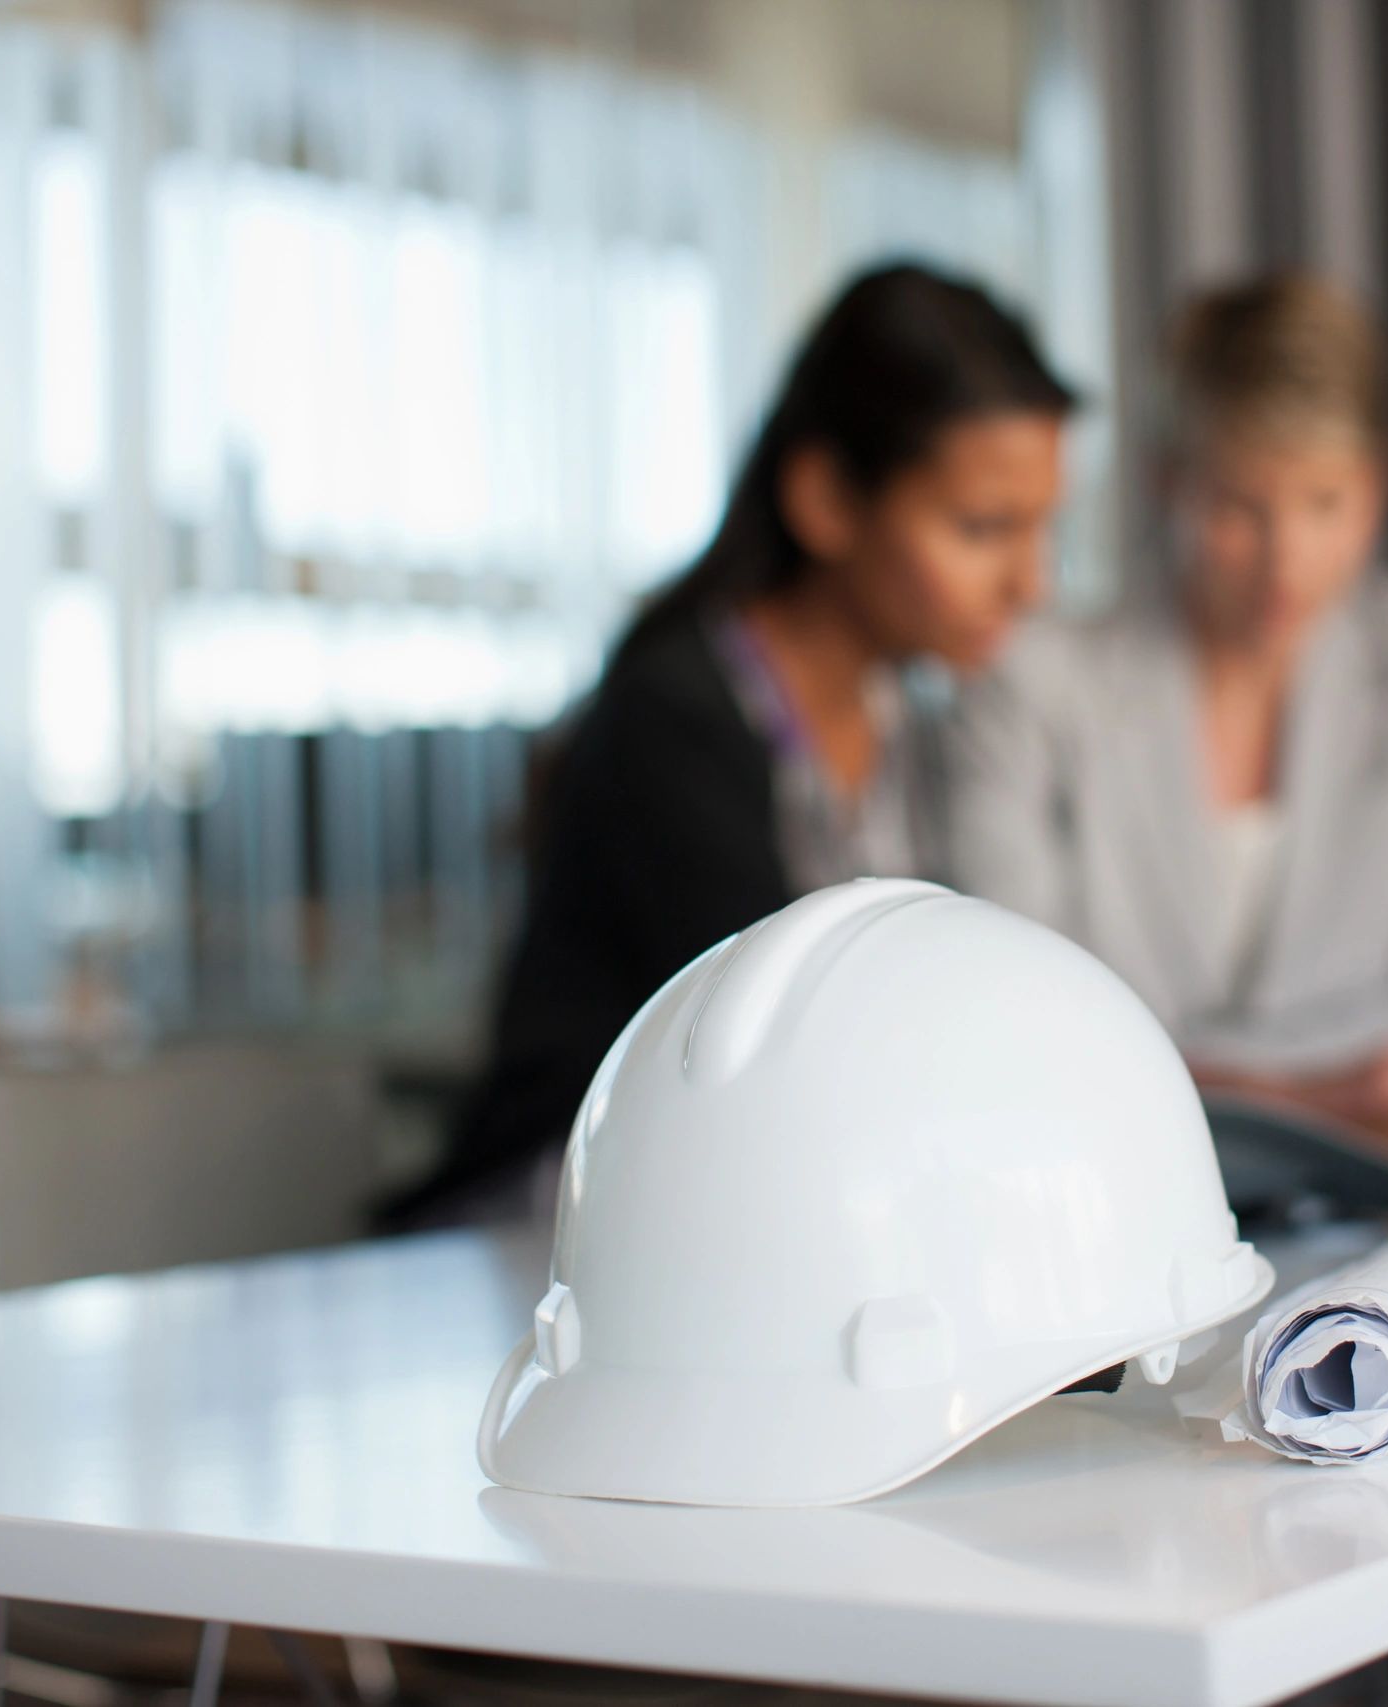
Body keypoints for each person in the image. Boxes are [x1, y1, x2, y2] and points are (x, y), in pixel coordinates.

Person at [391, 264, 1075, 1222]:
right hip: (572, 1233)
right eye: (983, 528)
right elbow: (775, 1066)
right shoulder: (673, 723)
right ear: (828, 500)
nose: (1029, 583)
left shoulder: (906, 726)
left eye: (1042, 529)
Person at [947, 274, 1388, 1186]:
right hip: (1106, 1202)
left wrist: (1202, 1073)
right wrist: (1340, 1097)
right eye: (1238, 506)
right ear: (1165, 479)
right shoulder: (1031, 685)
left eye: (1326, 502)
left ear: (1382, 481)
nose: (1286, 558)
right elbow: (1029, 1041)